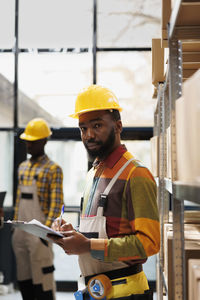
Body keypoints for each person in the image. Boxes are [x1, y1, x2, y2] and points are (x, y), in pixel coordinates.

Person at [49, 85, 160, 300]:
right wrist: (73, 234)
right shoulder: (93, 173)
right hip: (95, 290)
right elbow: (105, 229)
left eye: (97, 125)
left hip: (125, 291)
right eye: (83, 128)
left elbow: (149, 243)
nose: (88, 135)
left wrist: (88, 245)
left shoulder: (136, 174)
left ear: (118, 126)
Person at [12, 118, 64, 300]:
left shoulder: (53, 169)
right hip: (21, 233)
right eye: (27, 140)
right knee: (24, 277)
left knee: (43, 279)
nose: (28, 144)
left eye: (32, 141)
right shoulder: (22, 168)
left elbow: (56, 204)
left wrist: (45, 233)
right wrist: (15, 226)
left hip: (39, 233)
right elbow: (19, 198)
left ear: (44, 141)